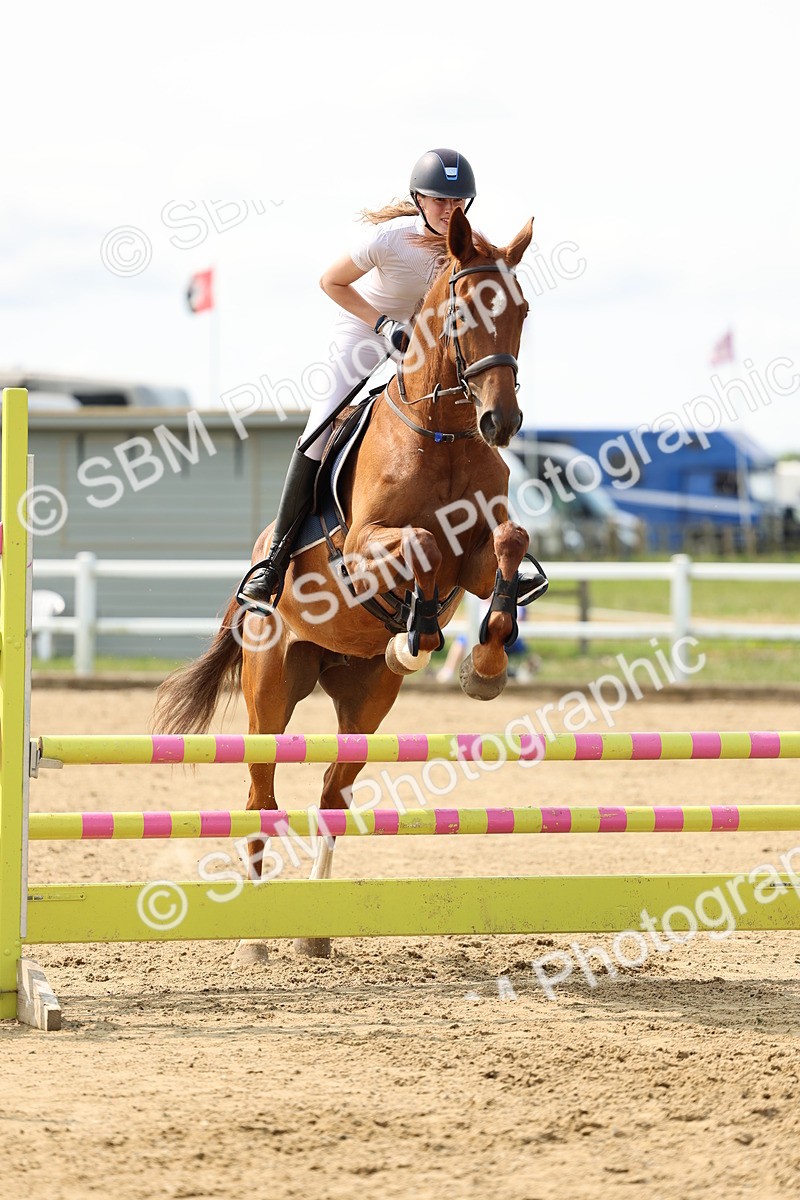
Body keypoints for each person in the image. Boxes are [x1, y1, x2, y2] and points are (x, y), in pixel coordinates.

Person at [237, 148, 477, 609]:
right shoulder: (390, 239)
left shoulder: (468, 242)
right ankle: (273, 563)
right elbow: (331, 282)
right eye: (440, 201)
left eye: (458, 203)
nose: (450, 211)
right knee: (320, 430)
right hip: (366, 331)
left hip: (424, 345)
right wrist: (384, 324)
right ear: (419, 200)